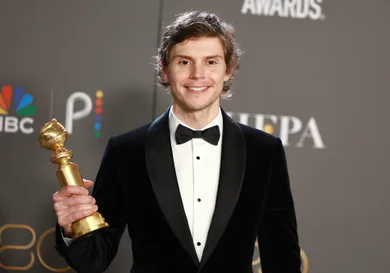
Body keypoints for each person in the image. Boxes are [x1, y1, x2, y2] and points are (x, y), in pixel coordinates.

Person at [53, 11, 301, 273]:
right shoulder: (126, 151)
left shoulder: (264, 151)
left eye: (211, 62)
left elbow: (282, 256)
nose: (197, 74)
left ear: (228, 70)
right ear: (164, 68)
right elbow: (93, 260)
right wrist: (72, 227)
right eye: (184, 62)